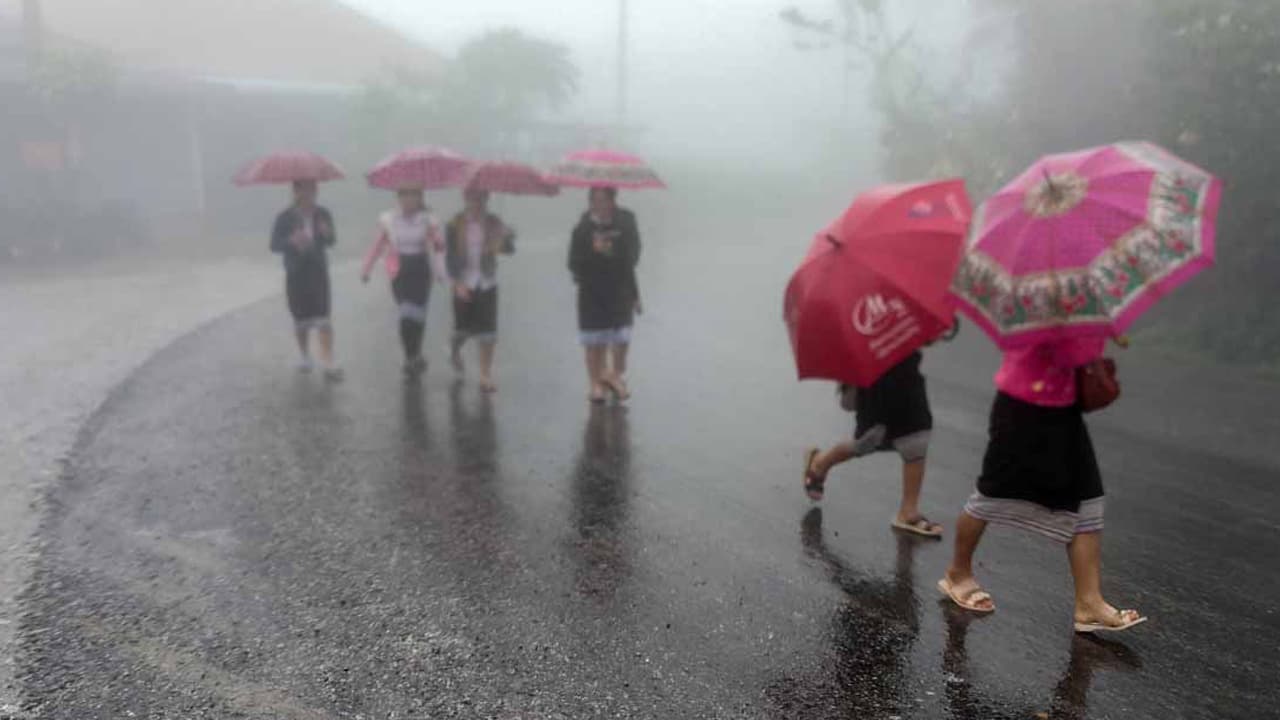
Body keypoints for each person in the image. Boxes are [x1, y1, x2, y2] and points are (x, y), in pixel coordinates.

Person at [939, 336, 1147, 634]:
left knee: (1088, 498)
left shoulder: (1073, 301)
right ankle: (957, 574)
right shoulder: (1027, 301)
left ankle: (1089, 603)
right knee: (992, 494)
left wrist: (1098, 331)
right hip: (1021, 409)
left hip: (1064, 411)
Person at [802, 350, 943, 538]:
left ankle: (908, 511)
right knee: (867, 442)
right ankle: (820, 463)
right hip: (877, 385)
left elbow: (923, 338)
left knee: (917, 438)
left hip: (909, 380)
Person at [568, 187, 641, 403]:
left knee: (622, 340)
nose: (599, 206)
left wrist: (635, 294)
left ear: (613, 201)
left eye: (604, 200)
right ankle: (595, 384)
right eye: (595, 201)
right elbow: (572, 263)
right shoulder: (582, 228)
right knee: (595, 342)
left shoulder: (625, 222)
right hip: (592, 291)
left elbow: (633, 257)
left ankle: (614, 375)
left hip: (620, 288)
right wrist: (593, 251)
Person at [361, 187, 445, 377]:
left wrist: (440, 271)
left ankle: (416, 352)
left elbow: (439, 247)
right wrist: (366, 269)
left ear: (419, 197)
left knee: (418, 317)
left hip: (421, 271)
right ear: (398, 197)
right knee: (406, 315)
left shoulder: (427, 220)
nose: (408, 199)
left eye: (412, 194)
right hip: (400, 272)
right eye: (404, 194)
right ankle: (410, 358)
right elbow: (377, 246)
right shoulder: (389, 220)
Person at [270, 180, 342, 380]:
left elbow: (331, 240)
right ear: (295, 191)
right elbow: (274, 245)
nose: (309, 193)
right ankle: (304, 355)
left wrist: (327, 233)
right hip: (296, 272)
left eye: (312, 189)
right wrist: (291, 241)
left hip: (318, 271)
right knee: (300, 318)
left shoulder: (323, 214)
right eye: (304, 189)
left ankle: (328, 360)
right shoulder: (285, 217)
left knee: (323, 316)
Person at [444, 188, 515, 393]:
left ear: (487, 199)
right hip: (464, 281)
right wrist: (457, 283)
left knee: (488, 332)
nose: (476, 203)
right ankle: (454, 349)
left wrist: (506, 238)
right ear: (465, 198)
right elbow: (449, 257)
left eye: (481, 198)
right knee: (463, 330)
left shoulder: (494, 222)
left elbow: (508, 250)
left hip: (487, 281)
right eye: (472, 198)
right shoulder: (454, 224)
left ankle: (485, 374)